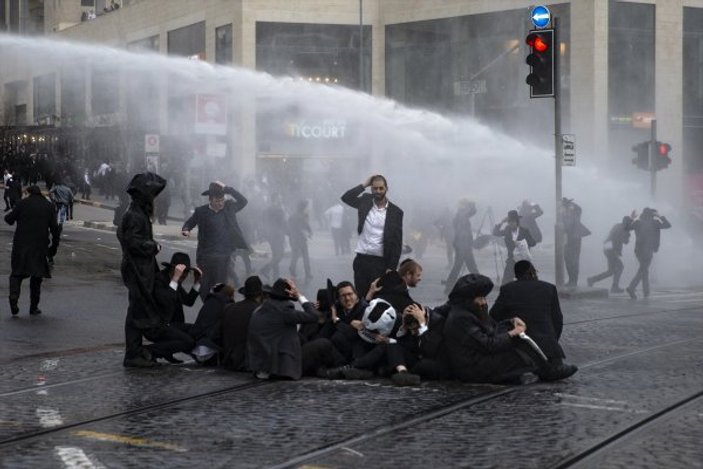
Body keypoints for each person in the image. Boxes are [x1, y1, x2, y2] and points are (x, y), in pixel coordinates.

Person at [444, 273, 570, 384]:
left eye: (484, 298)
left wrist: (511, 322)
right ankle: (547, 370)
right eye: (480, 298)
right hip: (472, 367)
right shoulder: (461, 318)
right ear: (468, 299)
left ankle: (549, 367)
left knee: (516, 337)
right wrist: (513, 333)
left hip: (478, 358)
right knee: (519, 354)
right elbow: (488, 344)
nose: (483, 302)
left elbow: (493, 327)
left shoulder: (470, 311)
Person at [490, 260, 578, 380]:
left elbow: (494, 315)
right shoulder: (549, 288)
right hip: (547, 348)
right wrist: (552, 340)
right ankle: (551, 368)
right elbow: (557, 320)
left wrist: (509, 326)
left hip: (518, 346)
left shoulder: (508, 289)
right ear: (531, 272)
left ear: (517, 275)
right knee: (554, 370)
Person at [116, 172, 167, 368]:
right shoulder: (135, 215)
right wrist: (153, 247)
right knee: (136, 312)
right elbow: (132, 241)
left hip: (141, 268)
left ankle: (135, 351)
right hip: (137, 270)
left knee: (137, 310)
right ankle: (133, 354)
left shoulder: (137, 212)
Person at [182, 181, 249, 299]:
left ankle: (217, 309)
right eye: (217, 201)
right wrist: (186, 229)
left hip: (223, 256)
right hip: (205, 256)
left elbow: (243, 201)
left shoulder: (229, 208)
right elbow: (190, 222)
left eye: (222, 200)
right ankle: (208, 304)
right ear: (210, 200)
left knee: (219, 287)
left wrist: (229, 189)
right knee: (204, 287)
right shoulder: (201, 211)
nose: (220, 203)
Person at [341, 174, 403, 297]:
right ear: (371, 189)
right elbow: (346, 197)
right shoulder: (365, 201)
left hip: (380, 263)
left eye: (381, 188)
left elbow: (397, 242)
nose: (378, 191)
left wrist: (391, 267)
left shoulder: (396, 212)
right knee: (361, 297)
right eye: (375, 188)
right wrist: (364, 184)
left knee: (376, 298)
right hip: (361, 260)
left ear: (386, 189)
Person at [247, 278, 319, 380]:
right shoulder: (284, 311)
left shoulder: (259, 310)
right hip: (280, 368)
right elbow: (314, 316)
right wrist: (299, 295)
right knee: (323, 344)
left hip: (260, 367)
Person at [5, 185, 61, 316]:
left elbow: (8, 219)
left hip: (21, 245)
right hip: (40, 246)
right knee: (36, 277)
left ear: (28, 193)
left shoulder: (23, 203)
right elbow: (55, 229)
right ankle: (34, 307)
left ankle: (14, 297)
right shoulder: (48, 206)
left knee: (17, 273)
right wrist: (53, 247)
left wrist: (19, 208)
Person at [221, 275, 265, 371]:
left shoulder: (229, 308)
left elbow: (216, 335)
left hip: (228, 360)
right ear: (260, 294)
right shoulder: (260, 312)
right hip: (248, 362)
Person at [626, 208, 671, 299]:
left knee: (644, 270)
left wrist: (632, 218)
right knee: (643, 269)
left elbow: (626, 228)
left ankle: (646, 292)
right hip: (647, 249)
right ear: (652, 215)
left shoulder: (638, 222)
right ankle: (631, 287)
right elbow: (667, 225)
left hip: (638, 250)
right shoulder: (654, 223)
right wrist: (659, 216)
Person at [587, 215, 633, 292]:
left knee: (611, 271)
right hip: (612, 251)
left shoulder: (617, 226)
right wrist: (628, 235)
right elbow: (625, 241)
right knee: (620, 267)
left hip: (608, 249)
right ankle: (614, 287)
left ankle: (592, 280)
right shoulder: (623, 229)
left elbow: (613, 236)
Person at [445, 198, 479, 293]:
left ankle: (449, 286)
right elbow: (472, 211)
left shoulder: (459, 214)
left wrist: (471, 203)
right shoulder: (461, 214)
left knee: (463, 266)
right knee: (468, 266)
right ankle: (480, 284)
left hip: (463, 244)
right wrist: (471, 203)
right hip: (463, 245)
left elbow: (472, 212)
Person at [493, 210, 536, 285]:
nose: (511, 224)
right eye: (509, 222)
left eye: (512, 222)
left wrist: (521, 243)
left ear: (517, 222)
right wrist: (501, 222)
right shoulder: (507, 230)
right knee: (505, 283)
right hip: (511, 260)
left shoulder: (524, 231)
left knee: (526, 284)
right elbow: (495, 233)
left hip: (523, 261)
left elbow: (533, 243)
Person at [561, 198, 591, 287]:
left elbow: (579, 209)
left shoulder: (575, 211)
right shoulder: (563, 214)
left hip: (575, 238)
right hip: (567, 239)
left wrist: (571, 204)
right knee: (567, 259)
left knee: (574, 260)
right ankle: (571, 280)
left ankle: (574, 281)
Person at [259, 193, 287, 281]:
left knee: (275, 255)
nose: (281, 199)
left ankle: (276, 276)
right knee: (280, 255)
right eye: (279, 198)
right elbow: (283, 223)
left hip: (270, 235)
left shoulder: (266, 209)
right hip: (278, 234)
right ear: (276, 199)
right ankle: (265, 269)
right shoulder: (279, 209)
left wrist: (264, 234)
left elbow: (263, 222)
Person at [287, 199, 313, 282]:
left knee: (295, 255)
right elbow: (304, 226)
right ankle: (307, 273)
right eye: (306, 206)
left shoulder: (294, 215)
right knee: (305, 256)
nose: (308, 208)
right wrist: (308, 232)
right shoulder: (302, 216)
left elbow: (290, 227)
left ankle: (292, 268)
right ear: (303, 207)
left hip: (294, 238)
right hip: (300, 239)